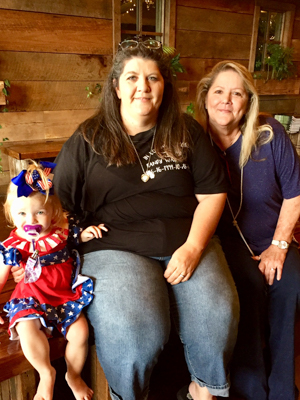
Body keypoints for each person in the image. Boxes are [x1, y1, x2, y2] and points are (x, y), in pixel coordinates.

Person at [23, 38, 241, 400]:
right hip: (114, 246)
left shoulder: (185, 131)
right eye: (132, 78)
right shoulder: (88, 139)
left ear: (164, 86)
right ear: (116, 86)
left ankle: (203, 391)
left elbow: (212, 194)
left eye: (153, 78)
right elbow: (56, 207)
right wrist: (35, 255)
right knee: (136, 329)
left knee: (218, 310)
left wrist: (193, 247)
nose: (143, 87)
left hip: (187, 240)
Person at [196, 60, 300, 400]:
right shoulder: (195, 144)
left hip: (276, 237)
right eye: (219, 91)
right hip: (227, 244)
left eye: (236, 93)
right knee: (249, 287)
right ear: (206, 96)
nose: (226, 100)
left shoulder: (270, 134)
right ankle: (252, 389)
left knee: (290, 285)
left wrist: (279, 245)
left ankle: (283, 390)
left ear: (248, 101)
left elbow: (295, 195)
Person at [1, 161, 107, 400]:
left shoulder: (60, 232)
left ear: (53, 212)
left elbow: (76, 235)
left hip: (62, 297)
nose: (31, 220)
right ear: (10, 214)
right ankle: (46, 373)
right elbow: (1, 275)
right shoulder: (13, 245)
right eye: (21, 214)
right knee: (27, 329)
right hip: (30, 298)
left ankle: (73, 374)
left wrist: (87, 233)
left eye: (39, 212)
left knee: (80, 332)